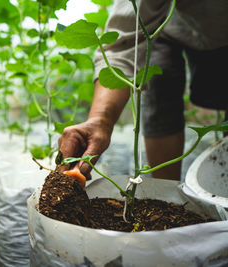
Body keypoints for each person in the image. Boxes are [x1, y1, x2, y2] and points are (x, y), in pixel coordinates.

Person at [58, 0, 228, 181]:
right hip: (165, 28)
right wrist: (100, 120)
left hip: (219, 37)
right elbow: (122, 46)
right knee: (158, 83)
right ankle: (167, 197)